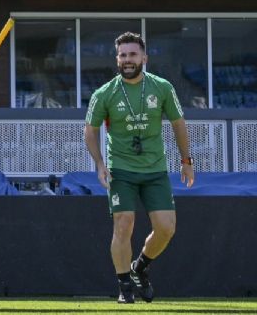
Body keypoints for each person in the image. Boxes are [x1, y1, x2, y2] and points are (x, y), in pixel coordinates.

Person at [84, 32, 195, 304]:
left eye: (133, 54)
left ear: (144, 58)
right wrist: (99, 164)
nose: (127, 60)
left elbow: (179, 124)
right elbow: (90, 131)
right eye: (122, 55)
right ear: (117, 59)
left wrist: (186, 160)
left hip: (155, 168)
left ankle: (139, 267)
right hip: (120, 169)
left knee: (166, 228)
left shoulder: (162, 87)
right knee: (124, 224)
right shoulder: (104, 93)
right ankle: (124, 287)